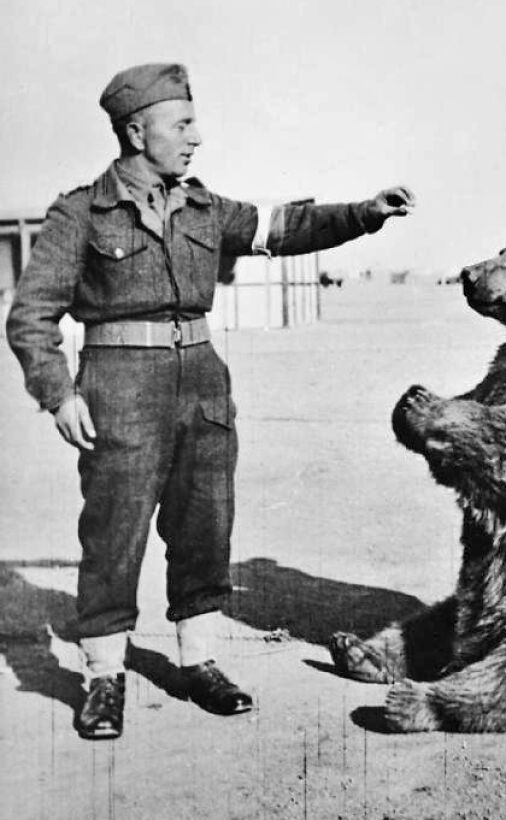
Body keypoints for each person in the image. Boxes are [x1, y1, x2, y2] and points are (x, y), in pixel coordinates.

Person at [6, 63, 415, 740]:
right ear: (137, 131)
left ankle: (200, 661)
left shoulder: (205, 206)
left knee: (205, 528)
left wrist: (364, 215)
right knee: (114, 534)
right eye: (183, 124)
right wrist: (56, 394)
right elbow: (31, 317)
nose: (198, 137)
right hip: (118, 388)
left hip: (202, 387)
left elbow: (285, 228)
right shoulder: (78, 213)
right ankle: (103, 678)